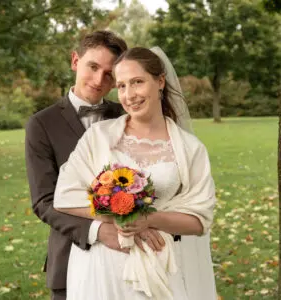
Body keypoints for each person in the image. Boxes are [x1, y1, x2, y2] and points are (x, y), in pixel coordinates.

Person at [54, 47, 217, 299]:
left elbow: (199, 221)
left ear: (160, 81)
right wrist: (119, 217)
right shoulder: (98, 137)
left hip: (161, 264)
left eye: (137, 82)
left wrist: (148, 220)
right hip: (101, 266)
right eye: (121, 86)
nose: (129, 95)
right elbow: (64, 196)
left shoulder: (190, 149)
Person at [25, 30, 129, 300]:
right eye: (92, 67)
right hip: (70, 258)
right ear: (75, 61)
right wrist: (97, 230)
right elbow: (44, 200)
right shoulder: (41, 124)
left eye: (109, 74)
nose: (98, 80)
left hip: (127, 258)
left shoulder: (126, 117)